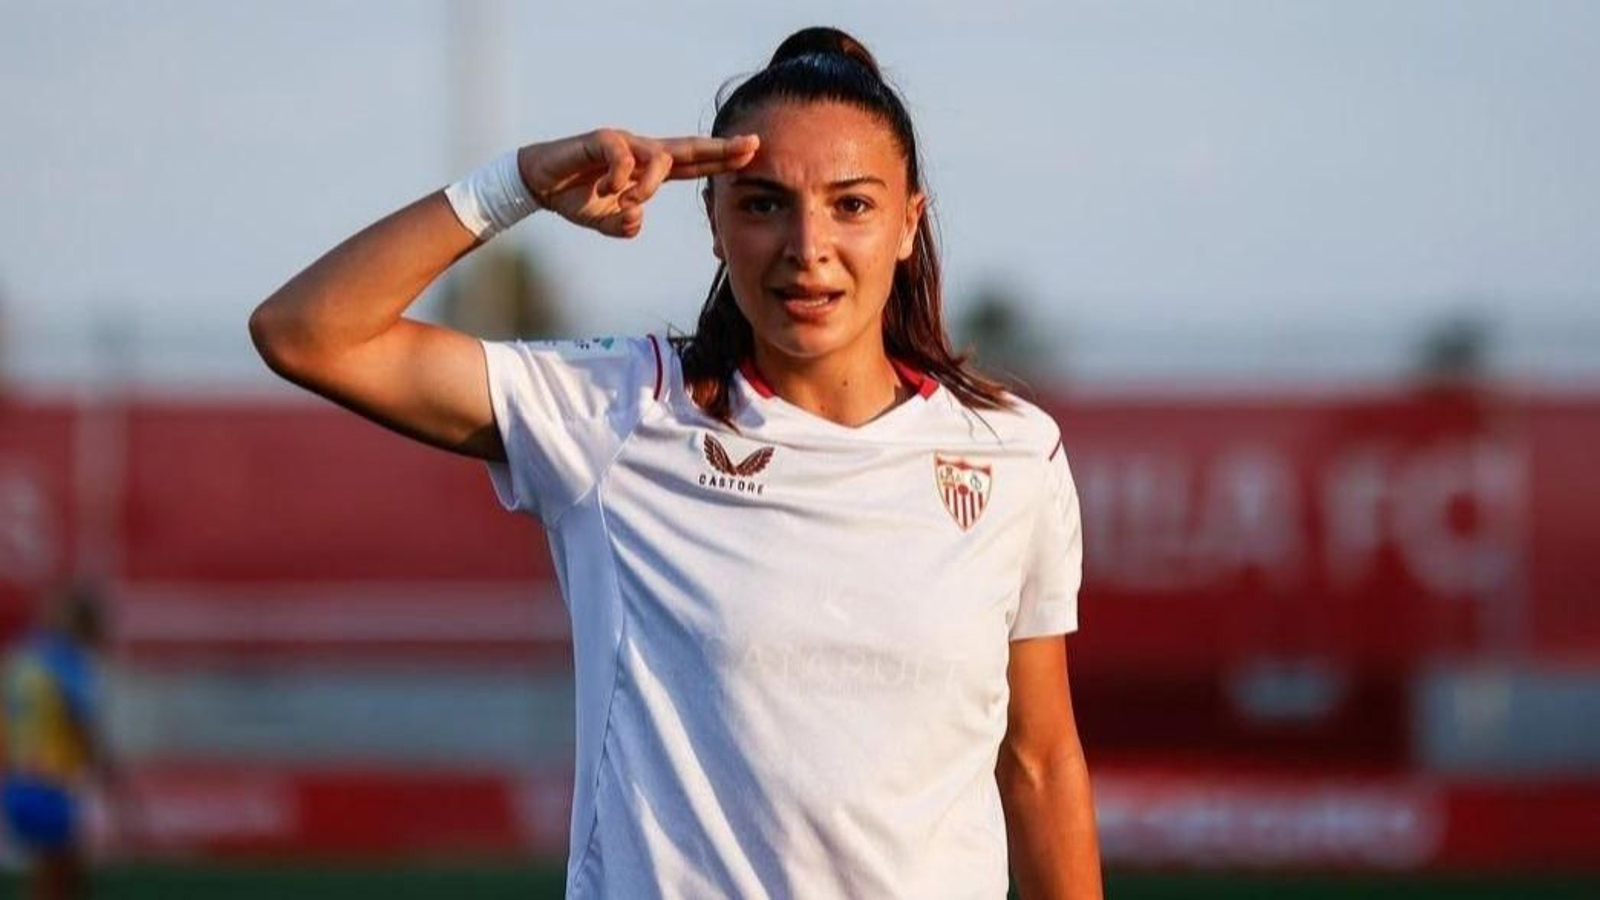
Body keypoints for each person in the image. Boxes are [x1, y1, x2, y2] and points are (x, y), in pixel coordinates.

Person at [250, 25, 1100, 899]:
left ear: (908, 222)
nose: (807, 247)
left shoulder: (1011, 455)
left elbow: (1038, 763)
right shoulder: (619, 411)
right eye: (764, 203)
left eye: (852, 204)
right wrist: (519, 185)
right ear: (713, 219)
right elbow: (306, 333)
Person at [1, 580, 116, 900]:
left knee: (57, 876)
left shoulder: (21, 661)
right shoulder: (68, 663)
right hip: (53, 784)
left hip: (17, 783)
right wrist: (106, 775)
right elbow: (83, 723)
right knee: (59, 880)